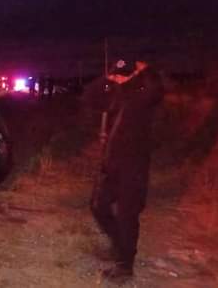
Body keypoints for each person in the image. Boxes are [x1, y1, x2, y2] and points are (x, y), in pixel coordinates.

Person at [84, 57, 164, 281]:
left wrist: (147, 70)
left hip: (133, 167)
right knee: (98, 206)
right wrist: (104, 79)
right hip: (112, 166)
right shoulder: (114, 97)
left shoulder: (142, 96)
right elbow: (90, 98)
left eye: (122, 74)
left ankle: (124, 265)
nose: (118, 78)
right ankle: (119, 245)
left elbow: (156, 91)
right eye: (115, 75)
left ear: (133, 75)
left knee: (127, 216)